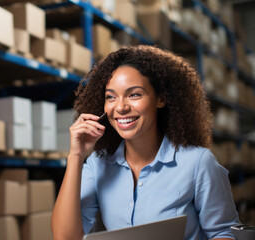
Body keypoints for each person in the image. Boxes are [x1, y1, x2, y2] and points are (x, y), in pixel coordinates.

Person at [51, 45, 240, 240]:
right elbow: (65, 237)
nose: (121, 107)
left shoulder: (197, 162)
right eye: (111, 97)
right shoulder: (98, 164)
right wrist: (76, 156)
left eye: (134, 94)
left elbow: (223, 232)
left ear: (161, 98)